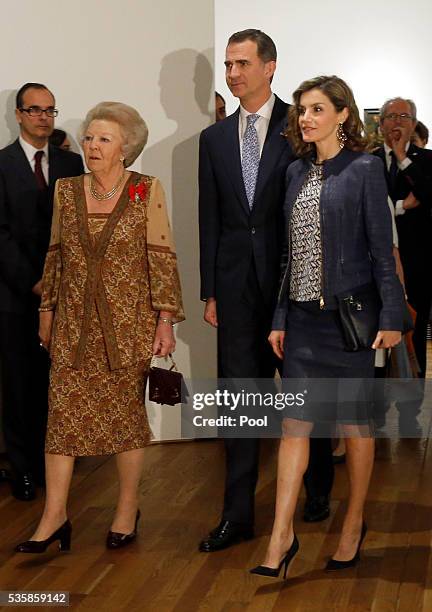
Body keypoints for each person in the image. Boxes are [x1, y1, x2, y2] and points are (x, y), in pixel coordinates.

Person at [250, 75, 403, 579]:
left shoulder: (363, 169)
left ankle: (353, 522)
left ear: (342, 114)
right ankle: (281, 537)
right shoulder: (294, 173)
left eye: (317, 108)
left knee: (355, 428)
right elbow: (288, 259)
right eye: (300, 110)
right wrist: (278, 316)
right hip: (301, 322)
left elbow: (383, 252)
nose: (305, 118)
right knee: (295, 428)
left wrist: (393, 316)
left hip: (349, 322)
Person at [15, 101, 184, 553]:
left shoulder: (142, 191)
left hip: (127, 325)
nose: (91, 145)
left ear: (125, 149)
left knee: (126, 421)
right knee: (61, 420)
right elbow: (55, 255)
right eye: (89, 137)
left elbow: (161, 257)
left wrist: (165, 319)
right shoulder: (67, 190)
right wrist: (46, 312)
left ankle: (127, 509)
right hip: (73, 325)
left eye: (103, 139)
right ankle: (54, 516)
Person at [199, 29, 332, 554]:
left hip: (294, 284)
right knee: (241, 398)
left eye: (242, 64)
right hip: (235, 289)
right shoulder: (212, 139)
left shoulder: (299, 128)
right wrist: (211, 290)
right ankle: (237, 515)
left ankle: (318, 489)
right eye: (228, 65)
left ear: (270, 66)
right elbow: (211, 218)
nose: (232, 74)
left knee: (304, 392)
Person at [0, 82, 83, 501]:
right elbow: (1, 235)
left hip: (64, 295)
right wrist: (32, 282)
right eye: (34, 110)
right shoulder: (1, 165)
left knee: (58, 384)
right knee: (19, 386)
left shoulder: (72, 163)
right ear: (18, 115)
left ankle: (57, 465)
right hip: (15, 297)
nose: (43, 118)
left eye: (50, 110)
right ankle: (24, 468)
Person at [374, 100, 432, 385]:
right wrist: (400, 206)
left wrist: (402, 158)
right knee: (375, 329)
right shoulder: (367, 160)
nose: (397, 122)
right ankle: (376, 403)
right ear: (381, 123)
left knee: (415, 328)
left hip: (416, 262)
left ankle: (412, 401)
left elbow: (428, 196)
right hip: (375, 259)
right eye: (391, 116)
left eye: (404, 117)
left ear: (414, 123)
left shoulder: (427, 160)